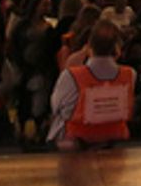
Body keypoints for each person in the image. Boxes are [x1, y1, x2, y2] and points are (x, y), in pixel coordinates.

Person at [47, 20, 136, 149]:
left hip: (77, 141)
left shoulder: (71, 75)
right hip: (116, 139)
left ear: (89, 46)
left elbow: (56, 107)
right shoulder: (130, 74)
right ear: (117, 48)